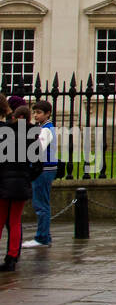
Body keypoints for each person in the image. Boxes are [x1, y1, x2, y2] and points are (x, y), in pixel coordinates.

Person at [0, 103, 42, 271]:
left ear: (15, 117)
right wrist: (28, 177)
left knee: (1, 220)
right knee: (15, 221)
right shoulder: (32, 135)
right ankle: (11, 257)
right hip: (21, 181)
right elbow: (38, 165)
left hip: (3, 181)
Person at [21, 99, 56, 250]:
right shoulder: (42, 128)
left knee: (41, 204)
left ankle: (41, 238)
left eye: (39, 112)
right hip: (44, 168)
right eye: (34, 112)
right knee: (42, 203)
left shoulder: (46, 129)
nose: (36, 115)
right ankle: (44, 236)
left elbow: (37, 148)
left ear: (47, 114)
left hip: (44, 169)